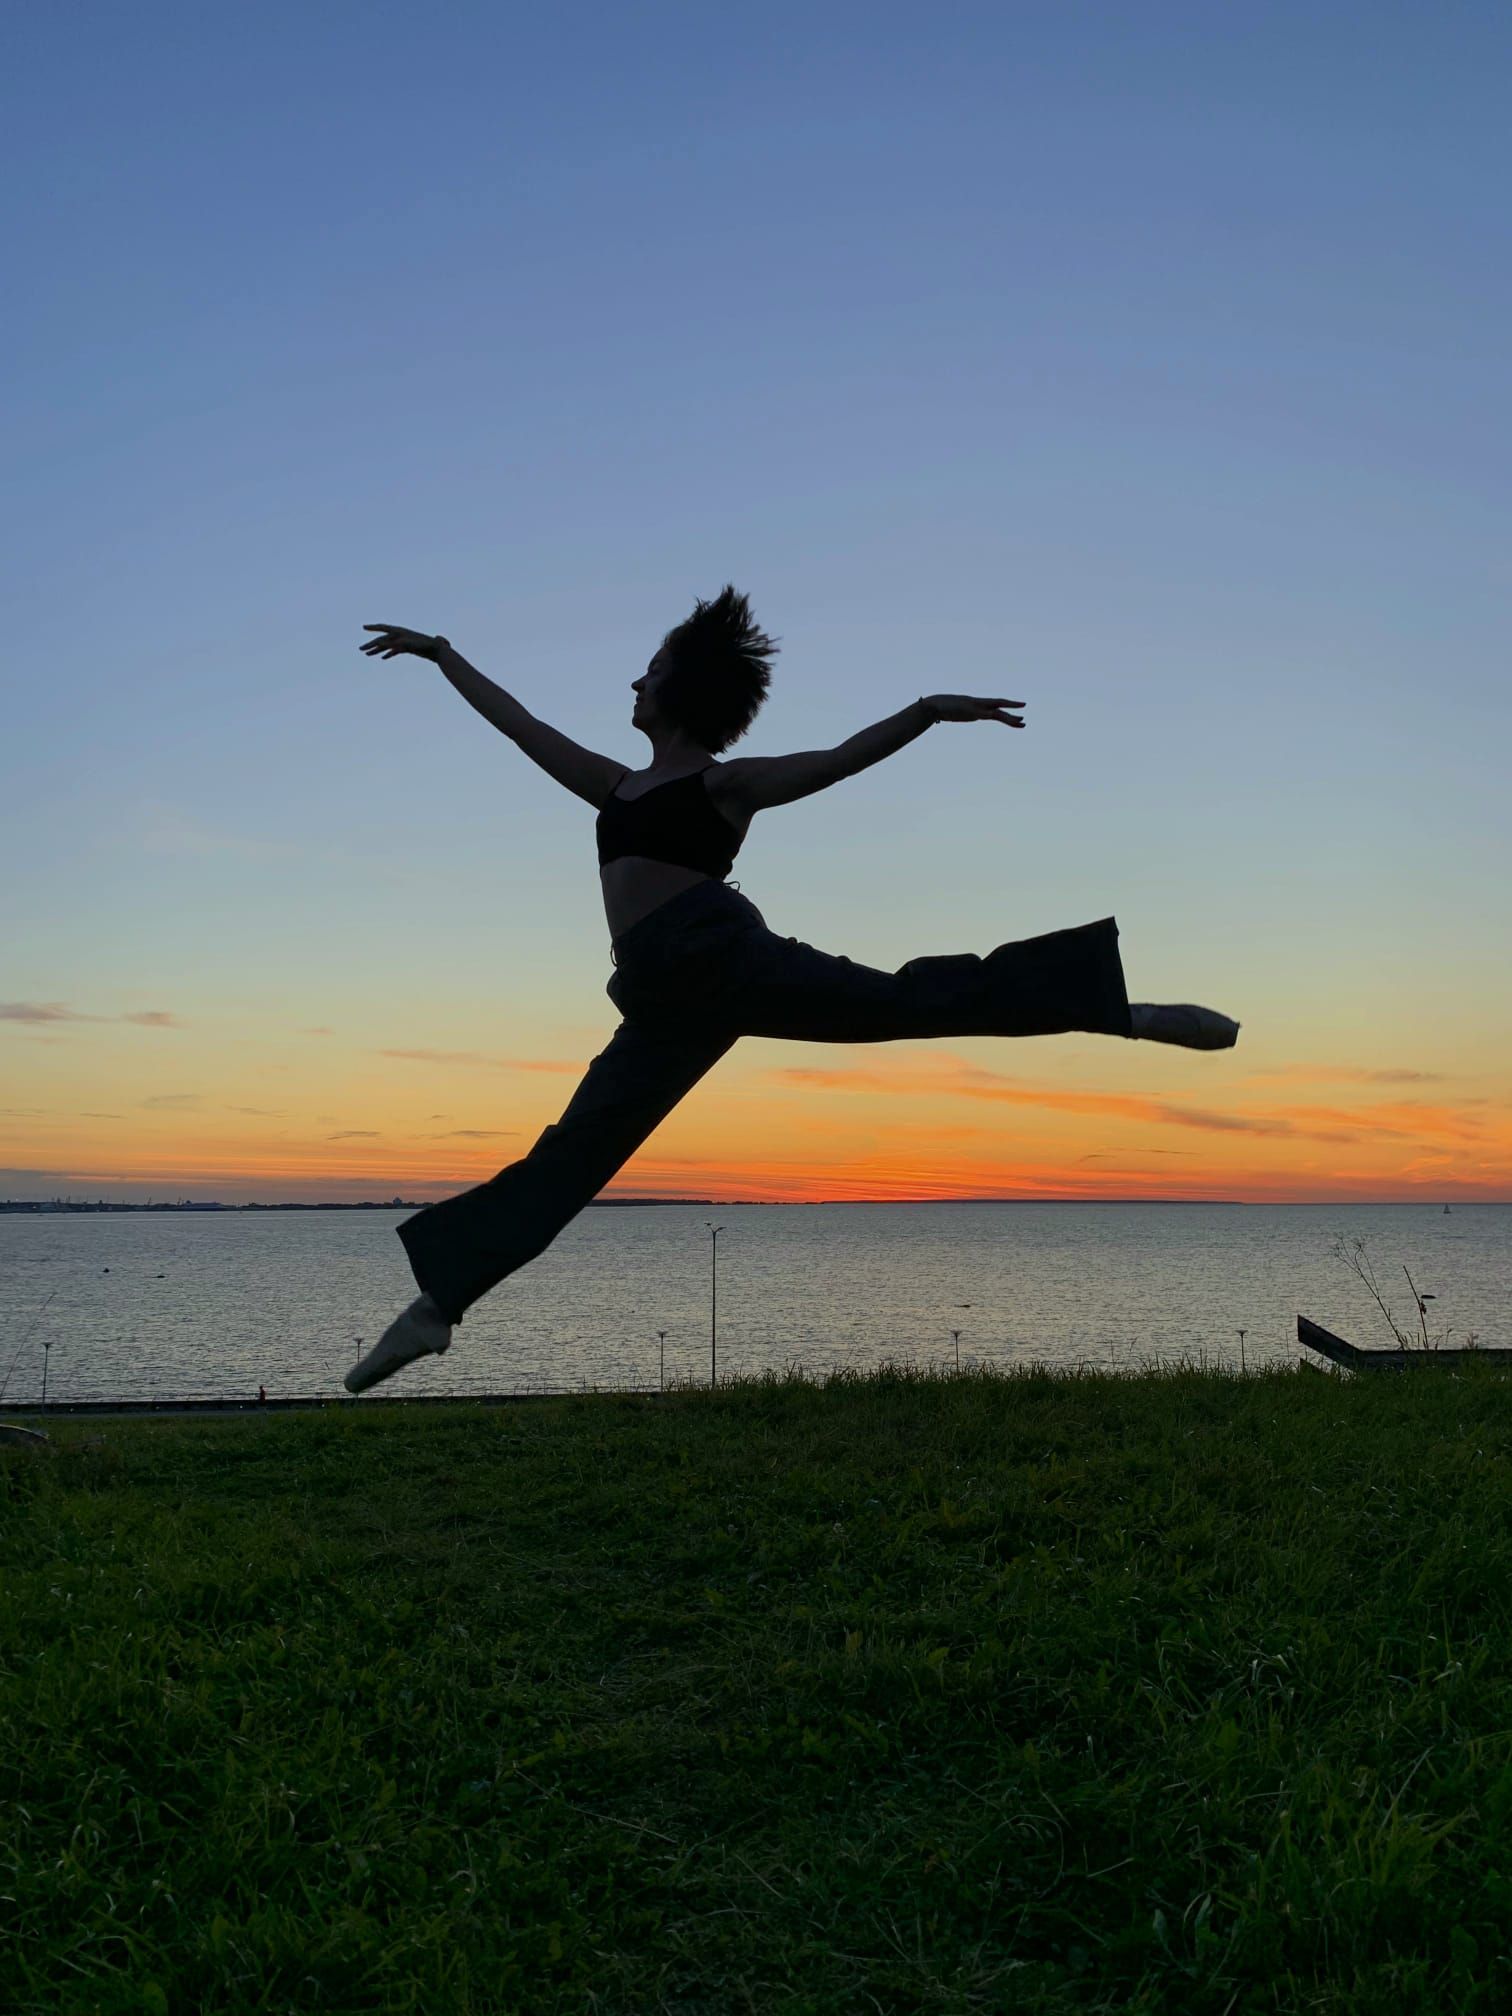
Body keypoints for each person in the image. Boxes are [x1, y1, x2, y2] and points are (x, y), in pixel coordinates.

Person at [345, 588, 1238, 1394]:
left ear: (684, 692)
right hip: (661, 1002)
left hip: (726, 962)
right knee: (573, 1152)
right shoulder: (613, 786)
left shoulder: (724, 785)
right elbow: (519, 725)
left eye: (649, 672)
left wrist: (926, 712)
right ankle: (439, 1309)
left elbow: (840, 760)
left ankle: (1120, 1011)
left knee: (905, 1002)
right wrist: (443, 654)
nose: (634, 682)